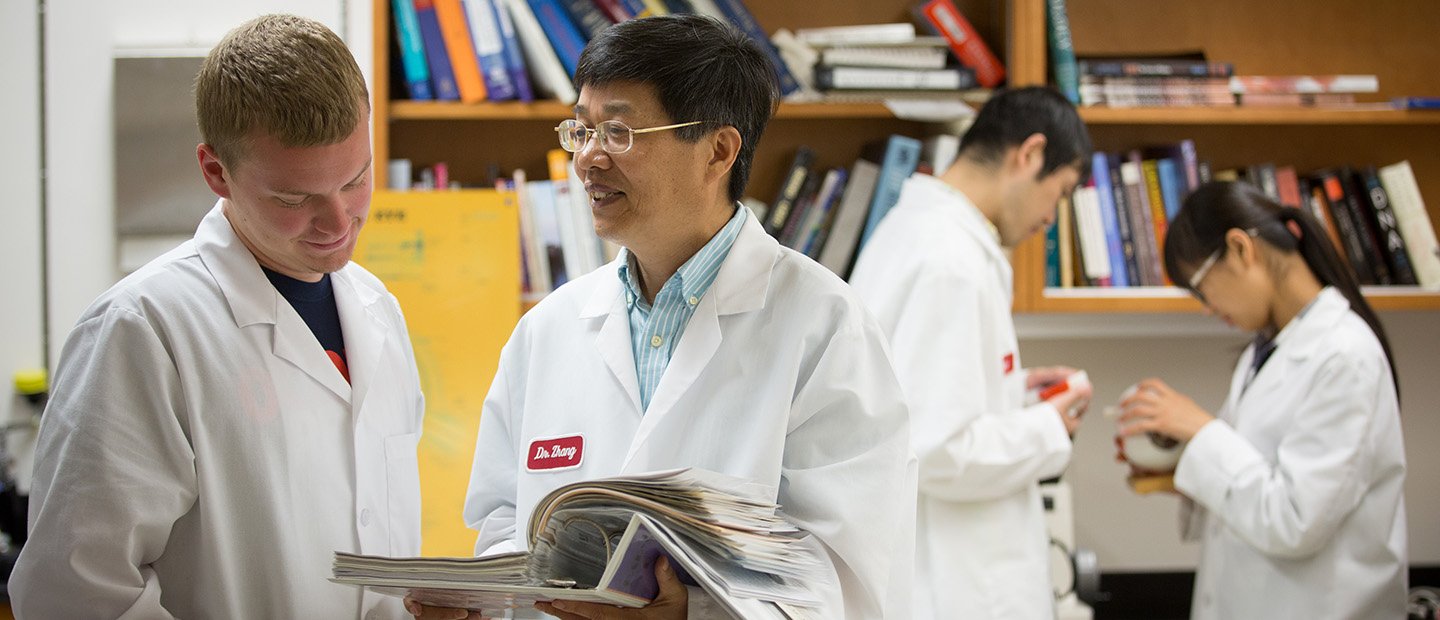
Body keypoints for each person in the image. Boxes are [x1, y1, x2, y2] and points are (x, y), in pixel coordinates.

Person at [410, 14, 915, 620]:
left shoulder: (824, 326)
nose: (588, 160)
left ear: (718, 151)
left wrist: (688, 615)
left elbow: (852, 572)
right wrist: (480, 604)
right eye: (583, 129)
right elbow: (502, 522)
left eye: (619, 132)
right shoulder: (548, 330)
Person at [8, 14, 425, 619]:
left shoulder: (378, 311)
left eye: (356, 181)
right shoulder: (143, 329)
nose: (339, 224)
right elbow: (72, 594)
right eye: (293, 198)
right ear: (215, 172)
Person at [848, 86, 1094, 619]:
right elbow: (937, 449)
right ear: (1028, 156)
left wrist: (1014, 391)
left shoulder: (916, 232)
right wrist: (1051, 426)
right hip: (953, 587)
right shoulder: (950, 263)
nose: (1052, 218)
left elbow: (918, 398)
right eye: (1062, 189)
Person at [1116, 180, 1407, 619]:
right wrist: (1180, 470)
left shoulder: (1346, 357)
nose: (1208, 309)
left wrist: (1201, 430)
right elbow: (1256, 471)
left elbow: (1295, 521)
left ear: (1240, 250)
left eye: (1200, 289)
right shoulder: (1268, 350)